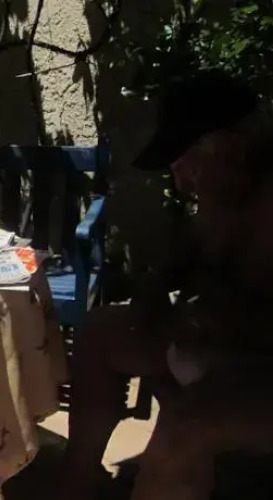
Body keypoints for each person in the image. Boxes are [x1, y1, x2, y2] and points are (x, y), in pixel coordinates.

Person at [57, 71, 273, 500]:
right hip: (232, 352)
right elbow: (184, 260)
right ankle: (77, 486)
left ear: (232, 147)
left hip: (258, 368)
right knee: (101, 332)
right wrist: (156, 297)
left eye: (188, 166)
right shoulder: (227, 195)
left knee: (188, 426)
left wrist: (217, 338)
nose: (181, 184)